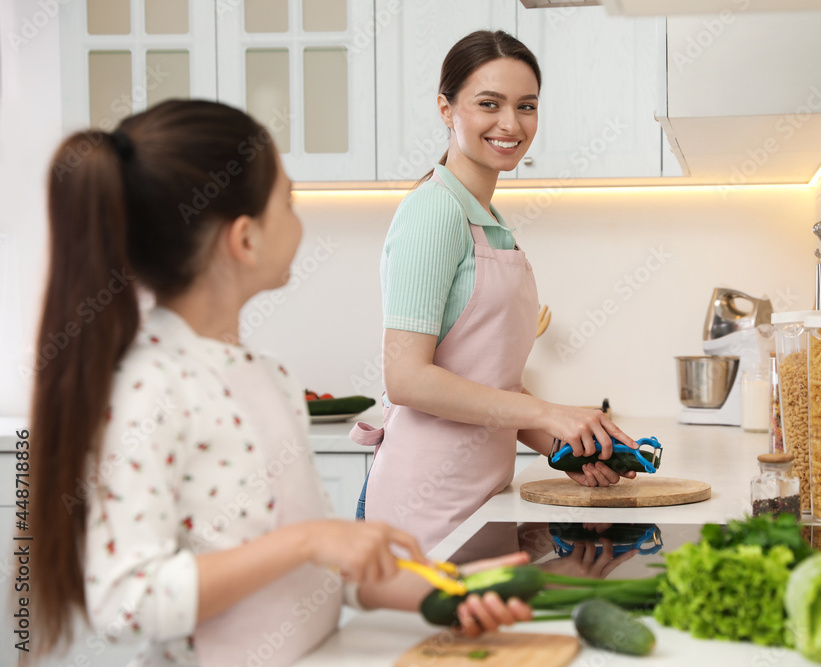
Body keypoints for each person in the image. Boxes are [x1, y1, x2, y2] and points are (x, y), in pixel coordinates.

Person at [29, 100, 531, 667]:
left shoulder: (265, 376)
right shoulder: (147, 389)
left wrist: (449, 588)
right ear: (245, 239)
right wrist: (308, 541)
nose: (298, 217)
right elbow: (126, 602)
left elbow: (325, 576)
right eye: (287, 201)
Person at [353, 30, 638, 551]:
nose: (511, 123)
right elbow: (407, 378)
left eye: (525, 106)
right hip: (424, 507)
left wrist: (563, 445)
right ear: (446, 109)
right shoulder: (433, 211)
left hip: (479, 496)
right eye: (489, 103)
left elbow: (490, 382)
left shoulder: (489, 222)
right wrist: (548, 413)